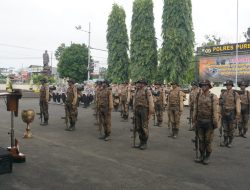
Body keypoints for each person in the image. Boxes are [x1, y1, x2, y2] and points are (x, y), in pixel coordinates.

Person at [193, 80, 219, 164]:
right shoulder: (198, 96)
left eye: (205, 85)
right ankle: (201, 155)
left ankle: (207, 156)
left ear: (209, 86)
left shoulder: (213, 97)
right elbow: (195, 109)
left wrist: (215, 122)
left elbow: (216, 111)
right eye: (202, 85)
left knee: (207, 141)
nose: (204, 86)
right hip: (200, 121)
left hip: (209, 122)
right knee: (200, 139)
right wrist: (194, 120)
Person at [133, 79, 154, 150]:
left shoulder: (147, 91)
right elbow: (135, 101)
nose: (138, 84)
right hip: (137, 110)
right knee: (138, 127)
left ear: (144, 84)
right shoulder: (137, 90)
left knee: (144, 127)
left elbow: (151, 102)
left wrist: (150, 113)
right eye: (138, 83)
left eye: (140, 83)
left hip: (144, 110)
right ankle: (141, 141)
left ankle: (144, 142)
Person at [220, 80, 241, 147]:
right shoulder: (223, 93)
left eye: (229, 85)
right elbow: (220, 104)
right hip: (224, 113)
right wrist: (219, 113)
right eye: (227, 85)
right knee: (225, 129)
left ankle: (230, 142)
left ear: (231, 86)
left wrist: (238, 114)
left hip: (232, 114)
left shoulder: (235, 94)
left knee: (231, 129)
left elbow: (238, 104)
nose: (228, 86)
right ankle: (225, 141)